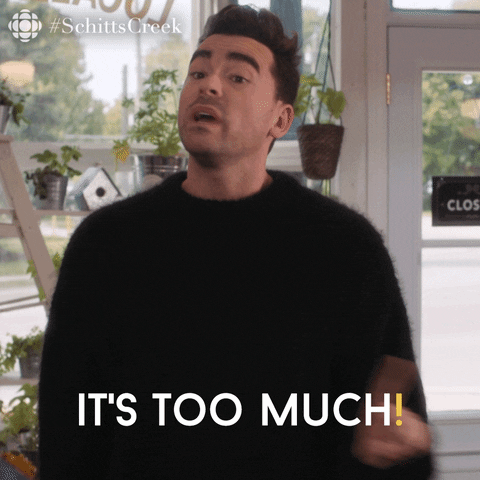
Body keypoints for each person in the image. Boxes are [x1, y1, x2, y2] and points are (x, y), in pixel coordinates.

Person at [39, 5, 433, 479]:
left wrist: (396, 441)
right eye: (198, 72)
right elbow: (67, 426)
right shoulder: (106, 246)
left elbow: (393, 416)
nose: (208, 85)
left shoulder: (345, 248)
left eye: (238, 77)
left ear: (280, 120)